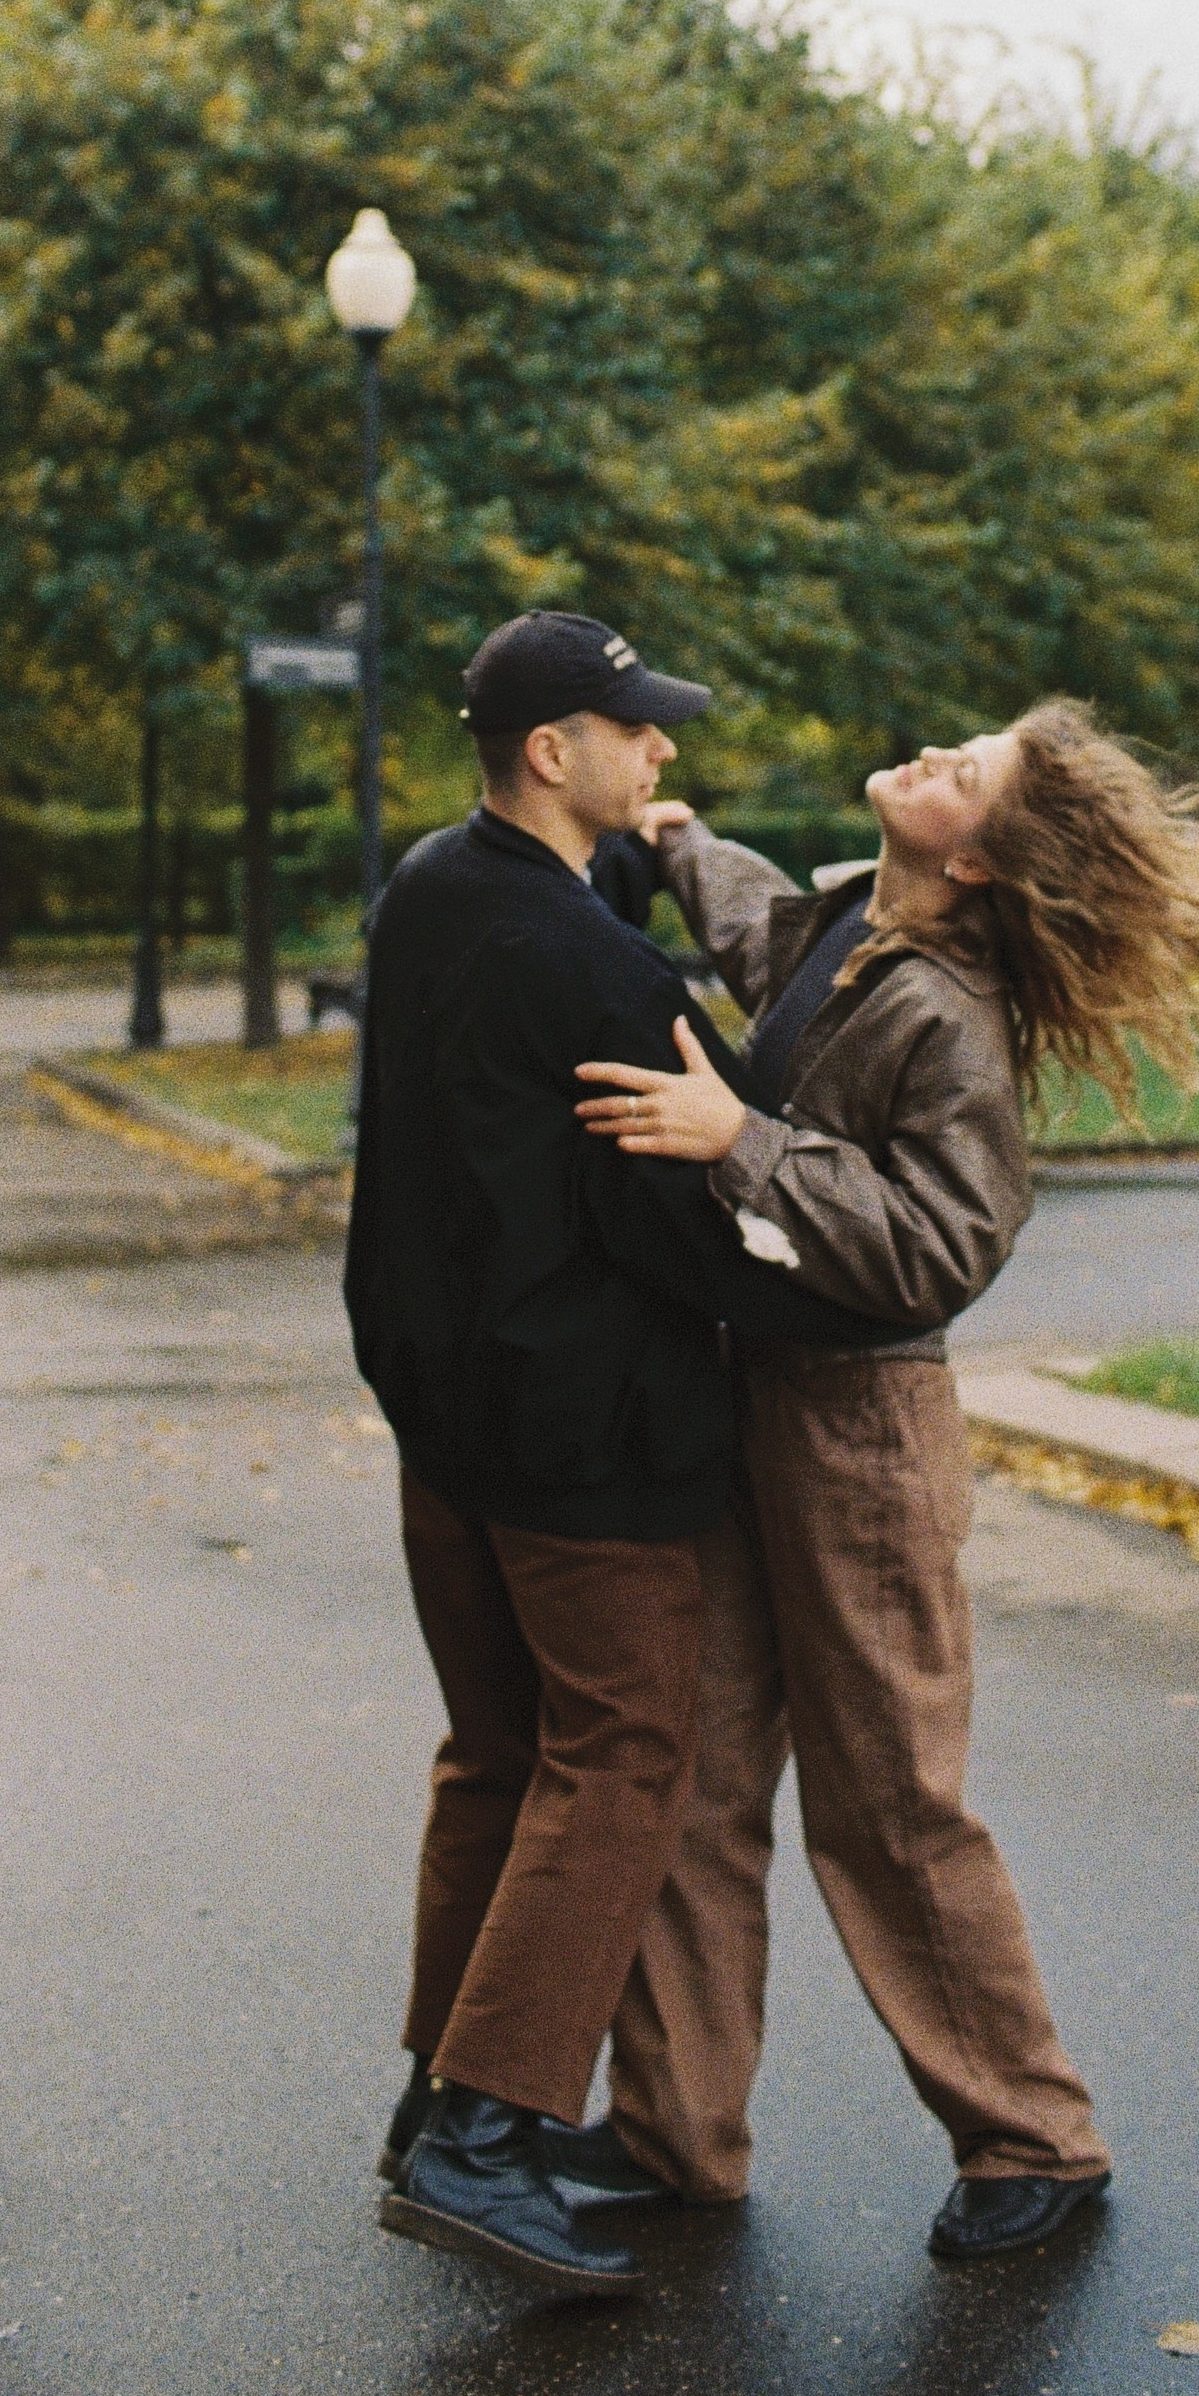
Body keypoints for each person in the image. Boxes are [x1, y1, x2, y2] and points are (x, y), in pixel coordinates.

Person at [573, 698, 1199, 2265]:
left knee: (887, 1801)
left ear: (974, 860)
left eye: (963, 774)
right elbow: (764, 938)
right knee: (695, 1779)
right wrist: (683, 843)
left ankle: (1032, 2136)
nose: (930, 760)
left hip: (859, 1437)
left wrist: (735, 1140)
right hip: (743, 1403)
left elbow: (939, 1249)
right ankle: (672, 2132)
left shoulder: (952, 1016)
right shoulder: (854, 928)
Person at [346, 609, 906, 2302]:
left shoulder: (433, 891)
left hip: (444, 1420)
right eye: (633, 730)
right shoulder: (587, 965)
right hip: (581, 1434)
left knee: (499, 1751)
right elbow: (684, 1200)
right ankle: (488, 2128)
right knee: (625, 1748)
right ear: (550, 751)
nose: (659, 751)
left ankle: (434, 2097)